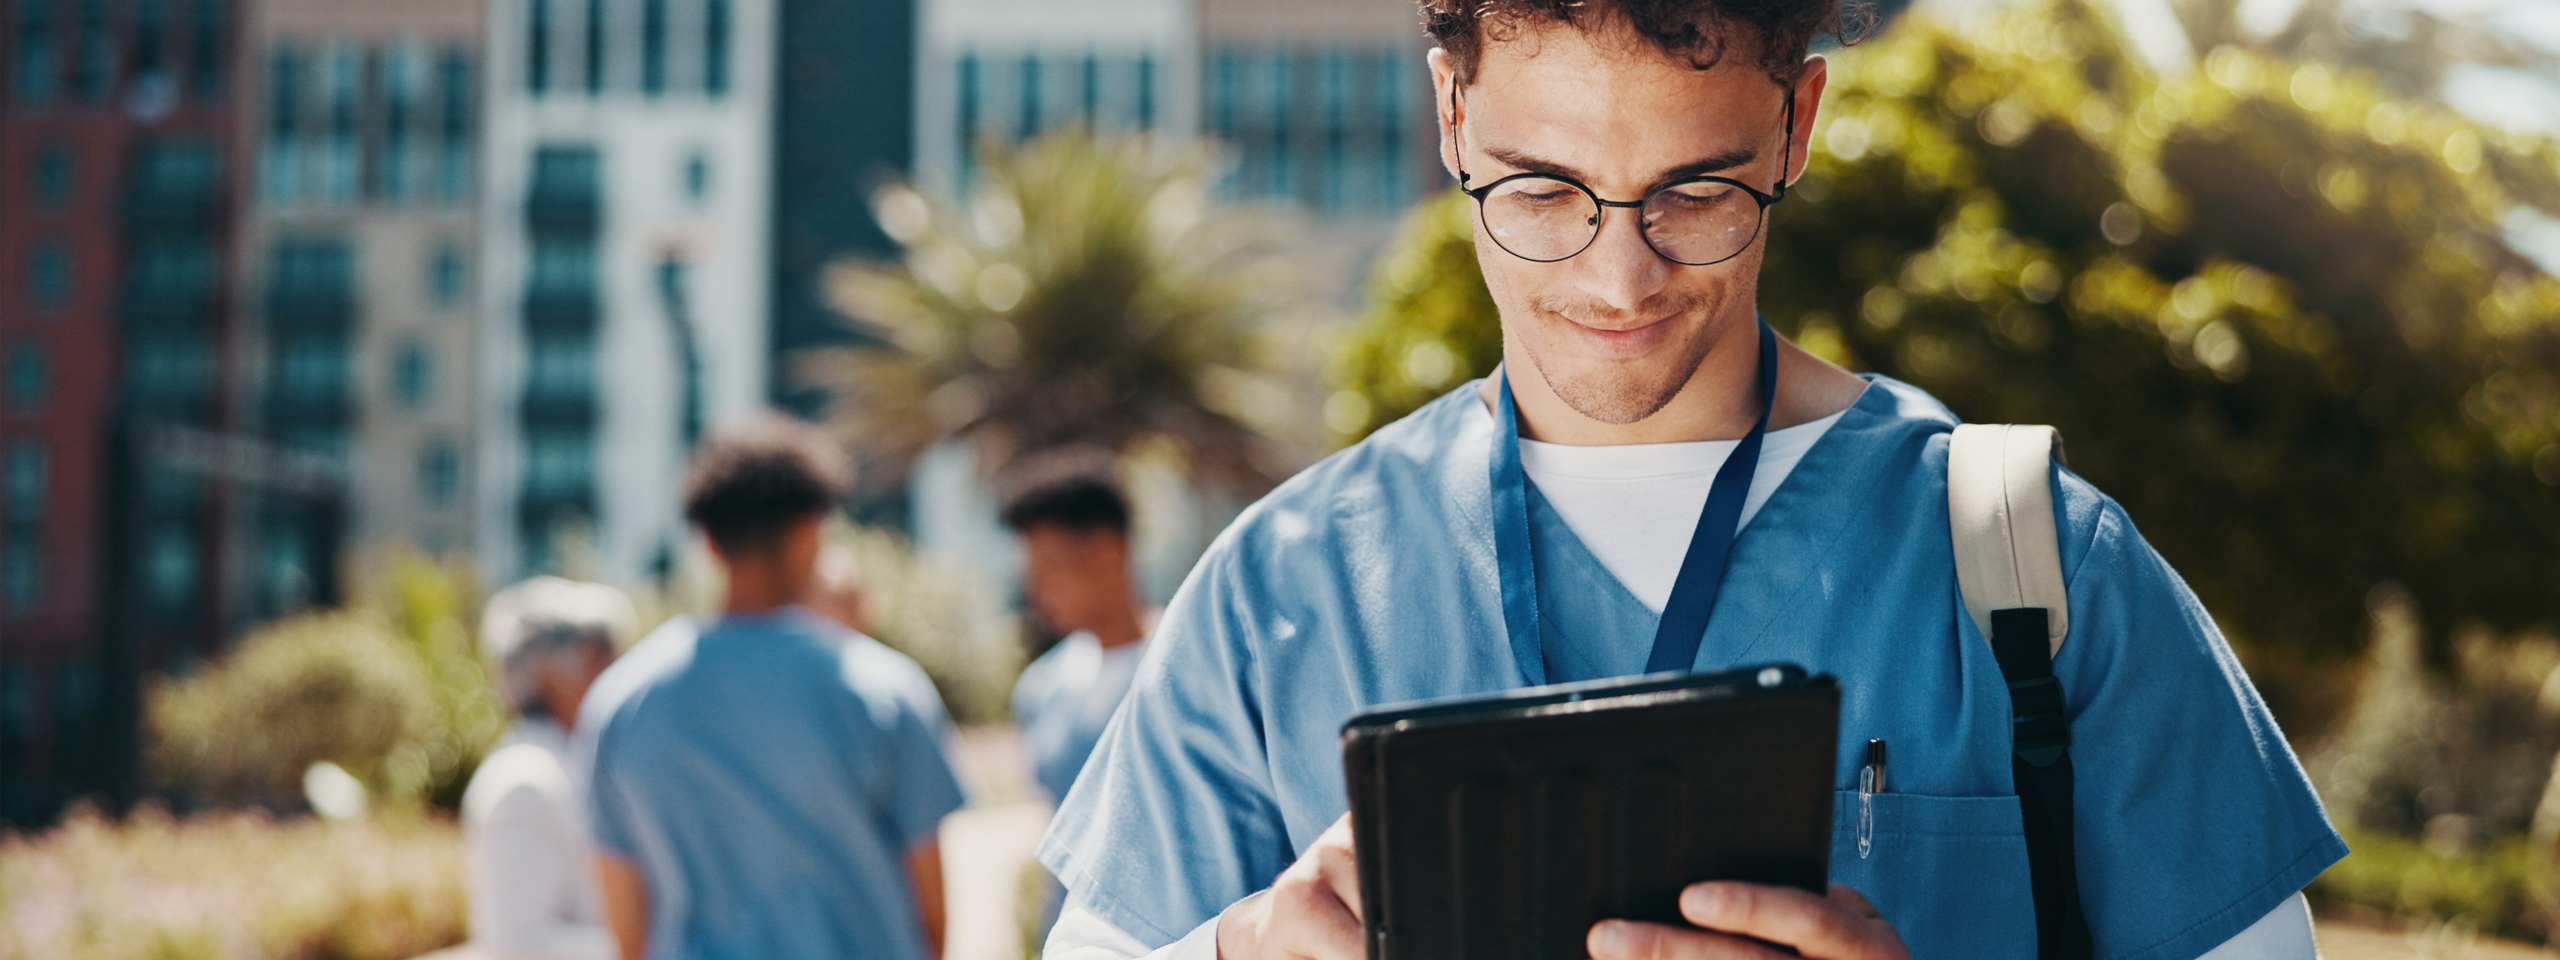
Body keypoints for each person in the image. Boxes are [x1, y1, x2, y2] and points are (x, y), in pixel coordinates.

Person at [1033, 2, 2346, 958]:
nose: (1618, 282)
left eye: (1695, 193)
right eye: (1542, 191)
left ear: (1795, 125)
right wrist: (1236, 948)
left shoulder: (2037, 568)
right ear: (1452, 115)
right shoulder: (1277, 588)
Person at [579, 415, 966, 960]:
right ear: (811, 533)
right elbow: (930, 915)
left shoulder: (622, 701)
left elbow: (625, 921)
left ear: (707, 542)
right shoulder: (883, 689)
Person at [458, 577, 632, 960]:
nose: (622, 676)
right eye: (602, 660)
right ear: (551, 677)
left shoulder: (561, 765)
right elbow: (516, 944)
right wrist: (647, 943)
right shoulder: (525, 782)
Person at [1003, 454, 1155, 809]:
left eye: (1050, 570)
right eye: (1029, 578)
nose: (1036, 594)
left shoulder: (1192, 669)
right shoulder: (1041, 688)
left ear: (1109, 550)